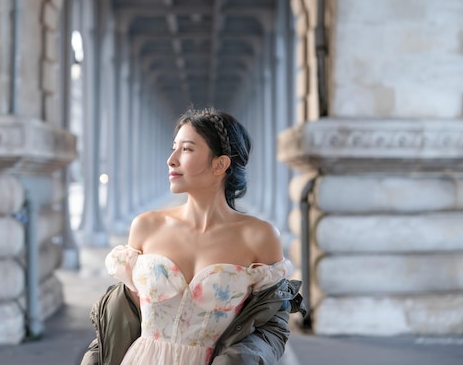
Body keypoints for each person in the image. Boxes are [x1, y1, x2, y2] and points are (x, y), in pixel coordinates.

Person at [81, 108, 305, 365]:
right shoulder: (146, 226)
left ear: (220, 164)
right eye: (173, 147)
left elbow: (272, 325)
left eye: (186, 149)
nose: (171, 159)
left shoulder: (258, 236)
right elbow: (119, 321)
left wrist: (239, 359)